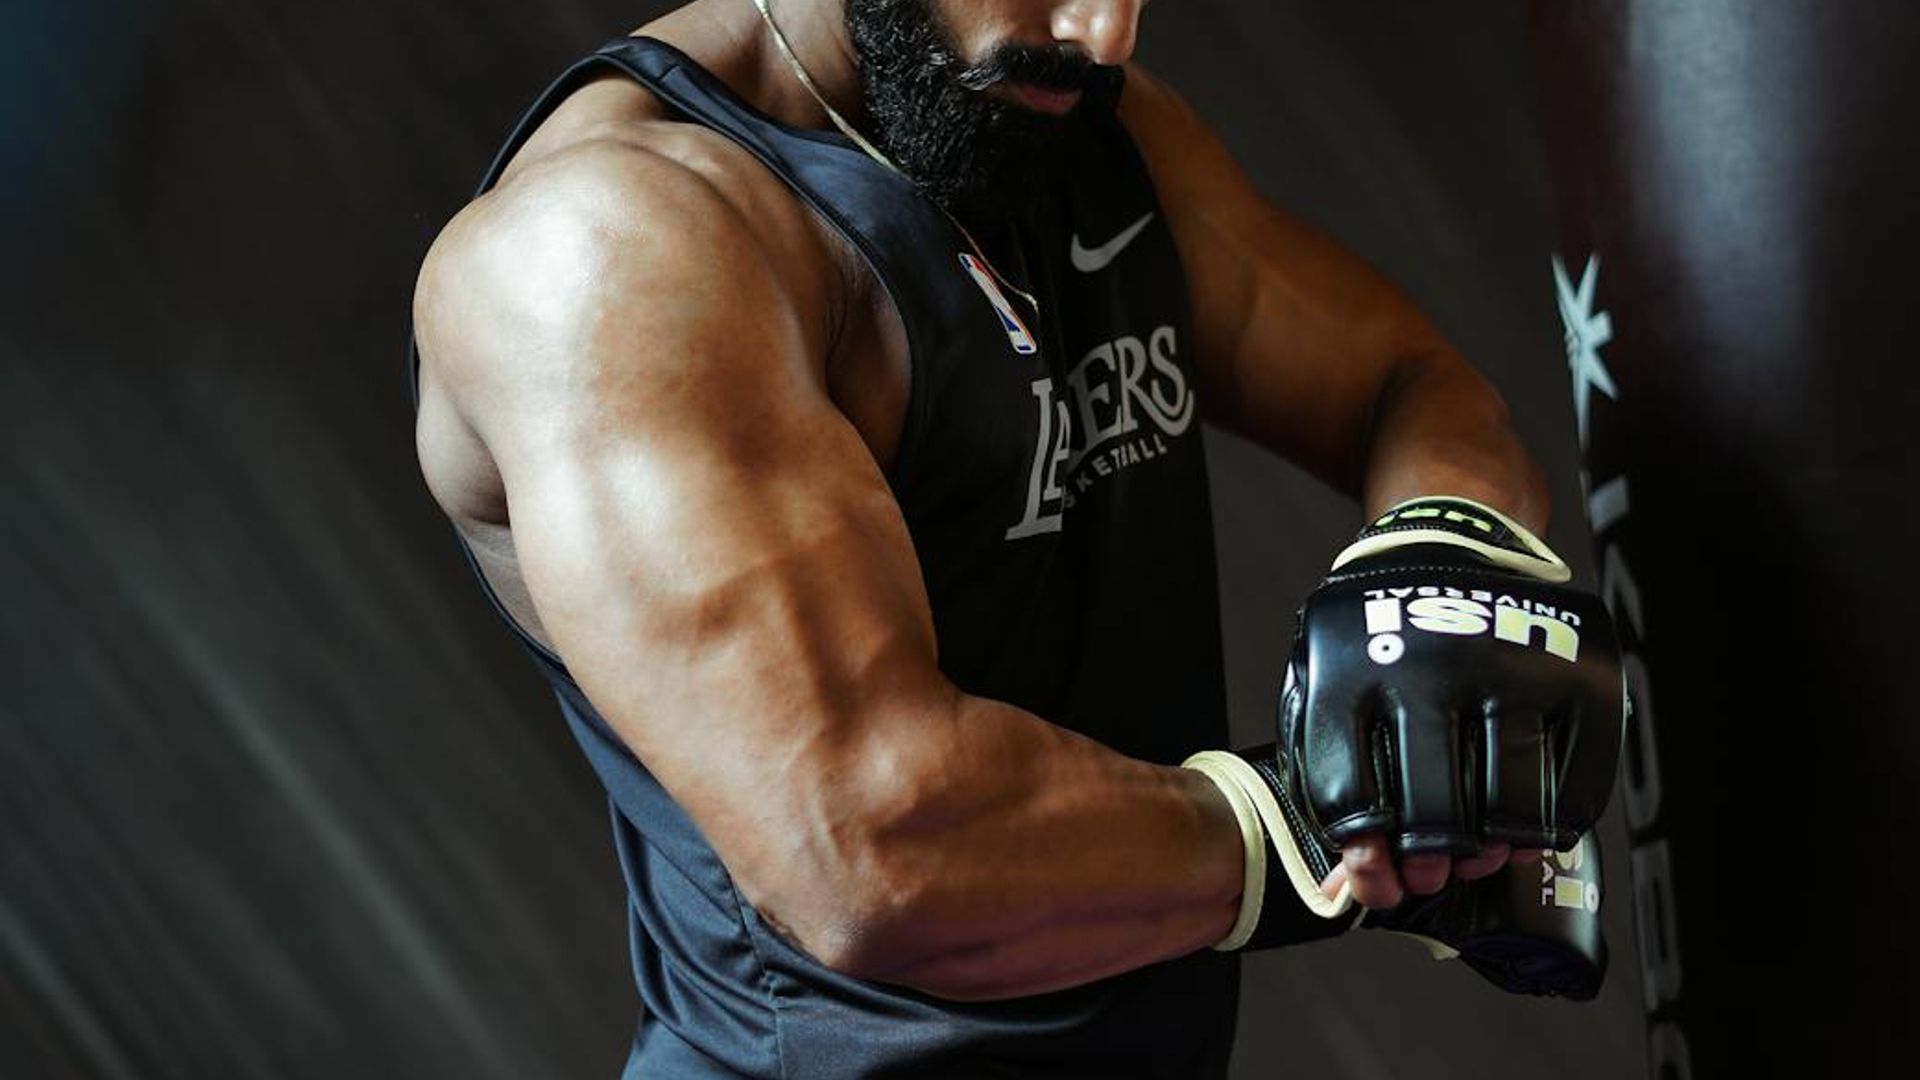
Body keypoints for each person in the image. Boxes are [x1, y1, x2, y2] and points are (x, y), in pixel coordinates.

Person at [409, 1, 1623, 1075]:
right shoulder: (613, 253)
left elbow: (1407, 387)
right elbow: (873, 848)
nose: (1106, 34)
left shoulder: (1081, 127)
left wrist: (1445, 569)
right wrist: (1335, 823)